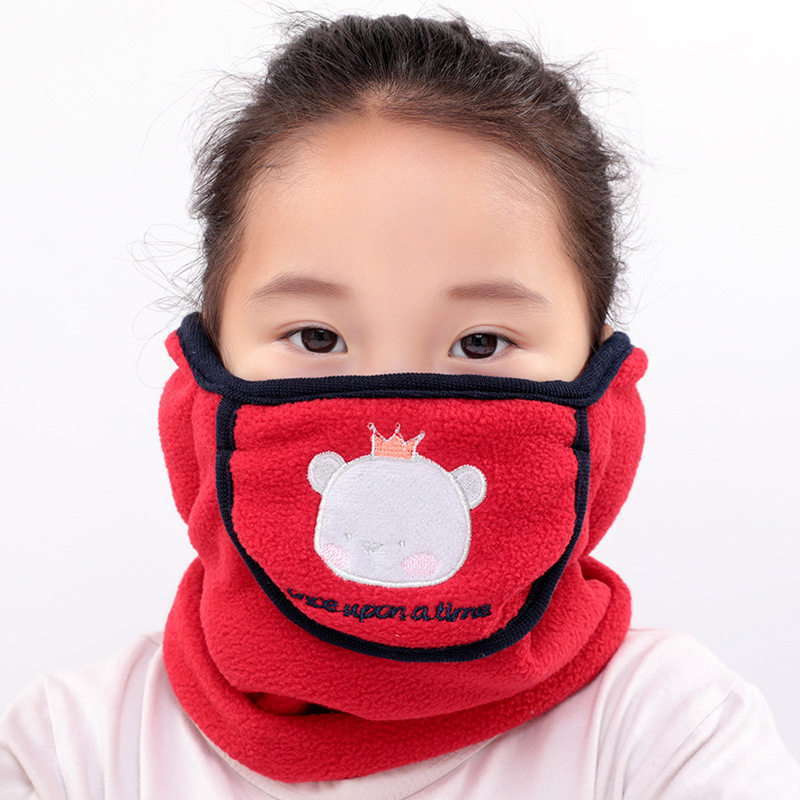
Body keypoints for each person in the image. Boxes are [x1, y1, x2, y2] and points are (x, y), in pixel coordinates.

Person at [1, 10, 798, 798]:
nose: (400, 400)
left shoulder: (673, 730)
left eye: (481, 343)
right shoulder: (66, 749)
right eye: (316, 337)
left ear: (601, 375)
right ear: (204, 365)